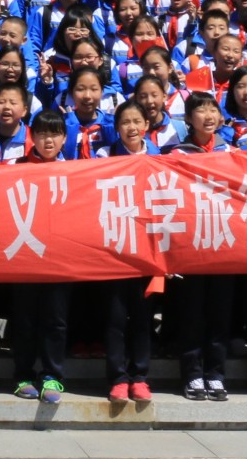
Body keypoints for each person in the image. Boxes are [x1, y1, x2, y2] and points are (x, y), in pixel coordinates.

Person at [166, 92, 233, 401]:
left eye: (212, 109)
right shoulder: (177, 155)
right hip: (191, 246)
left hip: (223, 243)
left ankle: (216, 373)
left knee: (219, 314)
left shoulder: (231, 153)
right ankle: (193, 373)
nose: (208, 115)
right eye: (200, 110)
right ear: (188, 119)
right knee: (192, 314)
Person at [98, 98, 158, 405]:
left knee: (142, 318)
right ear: (116, 128)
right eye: (125, 123)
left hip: (149, 252)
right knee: (116, 318)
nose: (131, 127)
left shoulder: (162, 158)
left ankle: (140, 377)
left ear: (147, 125)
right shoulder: (105, 157)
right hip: (115, 250)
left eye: (137, 121)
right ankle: (118, 378)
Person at [7, 110, 69, 402]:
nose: (48, 139)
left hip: (59, 259)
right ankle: (22, 375)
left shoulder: (77, 171)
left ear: (64, 139)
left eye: (55, 133)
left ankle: (52, 376)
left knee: (55, 320)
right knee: (24, 319)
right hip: (25, 256)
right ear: (32, 136)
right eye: (43, 133)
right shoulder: (15, 167)